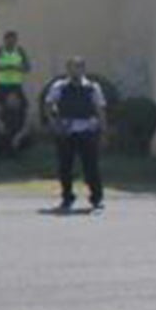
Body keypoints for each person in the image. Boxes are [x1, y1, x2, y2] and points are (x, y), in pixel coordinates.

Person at [41, 57, 107, 212]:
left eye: (78, 67)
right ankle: (67, 197)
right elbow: (48, 104)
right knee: (65, 167)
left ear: (83, 69)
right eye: (71, 67)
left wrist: (103, 131)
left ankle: (96, 198)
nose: (74, 70)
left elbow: (100, 109)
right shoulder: (59, 86)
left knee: (91, 167)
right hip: (66, 131)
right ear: (67, 69)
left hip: (87, 131)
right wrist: (53, 123)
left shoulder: (92, 87)